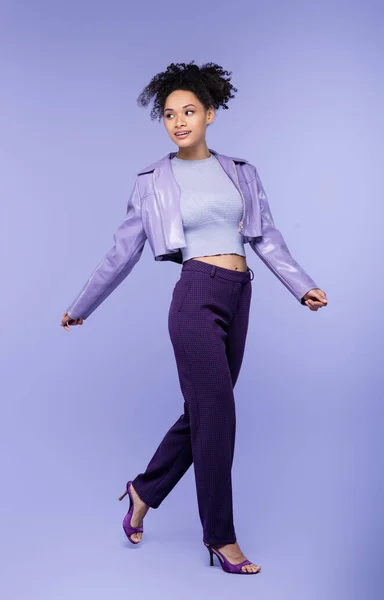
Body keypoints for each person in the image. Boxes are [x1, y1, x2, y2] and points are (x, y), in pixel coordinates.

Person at [60, 61, 328, 575]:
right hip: (194, 296)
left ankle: (143, 490)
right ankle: (221, 539)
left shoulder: (242, 172)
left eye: (189, 111)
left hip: (238, 293)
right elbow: (122, 253)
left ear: (210, 113)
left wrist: (303, 285)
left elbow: (266, 236)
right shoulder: (153, 182)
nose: (179, 121)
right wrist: (81, 306)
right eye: (168, 114)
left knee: (205, 413)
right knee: (219, 416)